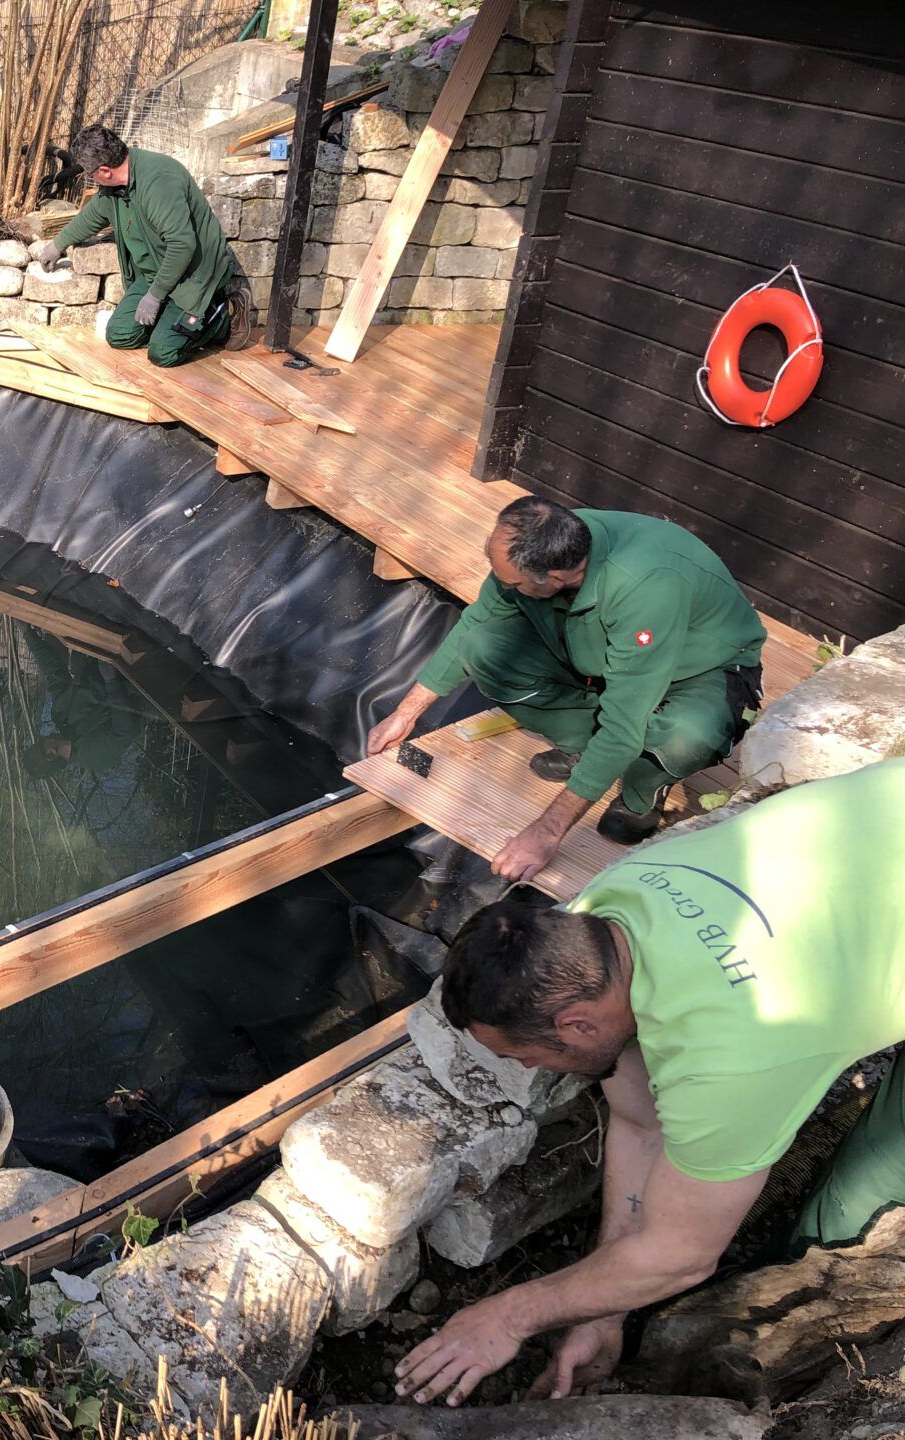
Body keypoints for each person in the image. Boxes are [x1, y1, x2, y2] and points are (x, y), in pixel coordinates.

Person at [393, 758, 905, 1408]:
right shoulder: (603, 916)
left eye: (526, 1055)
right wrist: (600, 1310)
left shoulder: (732, 1053)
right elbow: (639, 1120)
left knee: (872, 1188)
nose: (528, 1071)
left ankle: (821, 1274)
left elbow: (682, 1255)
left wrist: (507, 1317)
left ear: (576, 1024)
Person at [365, 497, 766, 879]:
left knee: (688, 736)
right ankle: (583, 747)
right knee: (483, 649)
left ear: (555, 577)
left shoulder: (644, 585)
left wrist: (545, 832)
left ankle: (643, 792)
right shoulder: (543, 542)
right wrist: (406, 713)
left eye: (517, 583)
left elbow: (624, 725)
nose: (508, 586)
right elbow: (474, 626)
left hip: (700, 666)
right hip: (610, 651)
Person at [30, 124, 252, 367]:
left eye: (88, 172)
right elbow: (94, 214)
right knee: (120, 335)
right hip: (156, 271)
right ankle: (175, 326)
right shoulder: (116, 186)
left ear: (104, 171)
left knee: (163, 353)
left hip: (193, 274)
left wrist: (155, 296)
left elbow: (182, 246)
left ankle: (227, 312)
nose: (87, 177)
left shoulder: (158, 183)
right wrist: (58, 244)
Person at [18, 626, 148, 778]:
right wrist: (112, 683)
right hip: (133, 678)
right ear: (50, 753)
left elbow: (53, 672)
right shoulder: (94, 757)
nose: (44, 737)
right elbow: (126, 730)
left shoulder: (60, 716)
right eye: (41, 743)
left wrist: (28, 634)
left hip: (95, 650)